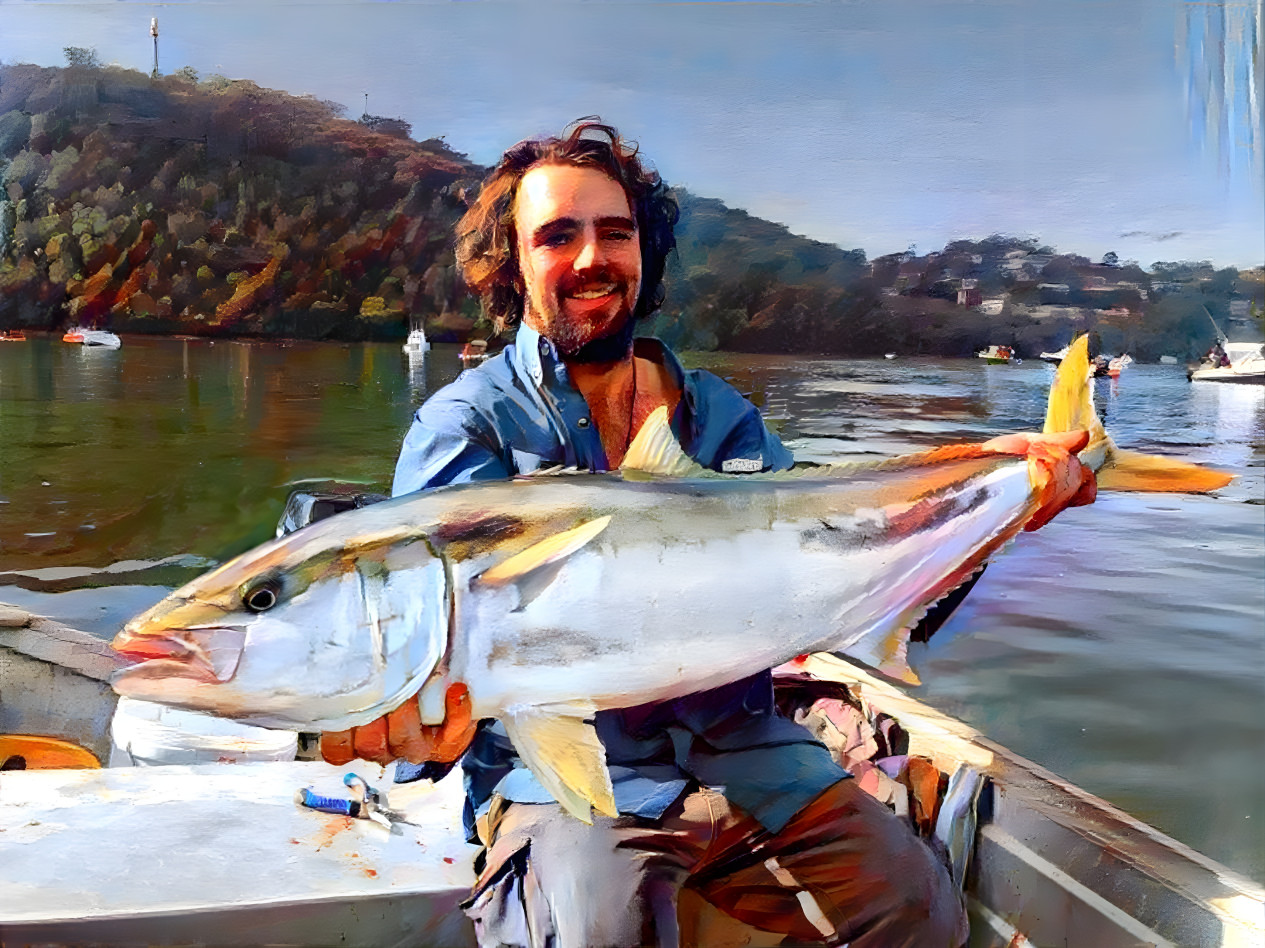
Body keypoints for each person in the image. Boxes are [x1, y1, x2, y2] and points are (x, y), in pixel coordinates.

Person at [321, 119, 1095, 947]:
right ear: (513, 265)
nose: (591, 258)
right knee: (596, 932)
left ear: (643, 252)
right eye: (556, 236)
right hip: (571, 772)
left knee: (912, 906)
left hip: (747, 746)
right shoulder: (468, 426)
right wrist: (409, 727)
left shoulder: (719, 415)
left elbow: (836, 549)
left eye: (614, 233)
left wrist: (997, 501)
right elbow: (437, 648)